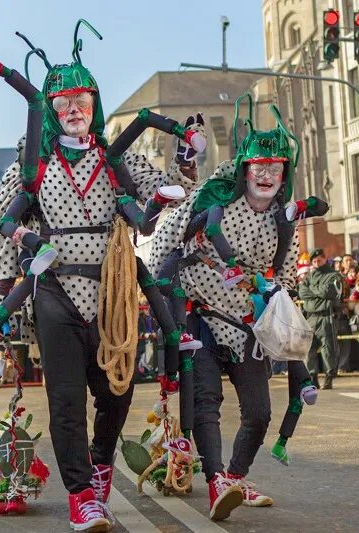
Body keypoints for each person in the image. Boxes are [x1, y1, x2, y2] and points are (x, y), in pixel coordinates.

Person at [0, 24, 203, 529]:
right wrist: (2, 281)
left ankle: (102, 462)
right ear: (50, 109)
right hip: (55, 287)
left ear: (94, 103)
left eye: (82, 99)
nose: (74, 109)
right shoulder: (31, 156)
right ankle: (81, 494)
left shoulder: (115, 154)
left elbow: (166, 189)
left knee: (116, 392)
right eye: (63, 102)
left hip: (113, 288)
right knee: (65, 397)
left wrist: (187, 158)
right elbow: (4, 217)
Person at [149, 98, 309, 520]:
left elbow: (288, 276)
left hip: (246, 324)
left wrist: (276, 300)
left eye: (276, 167)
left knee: (258, 412)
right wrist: (160, 292)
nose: (267, 174)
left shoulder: (283, 220)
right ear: (244, 169)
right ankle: (216, 478)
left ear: (285, 173)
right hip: (199, 313)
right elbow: (167, 236)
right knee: (205, 401)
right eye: (260, 166)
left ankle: (236, 477)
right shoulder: (212, 197)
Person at [299, 248, 343, 389]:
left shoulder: (333, 275)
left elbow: (329, 291)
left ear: (325, 259)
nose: (317, 263)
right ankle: (313, 377)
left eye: (319, 260)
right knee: (309, 349)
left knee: (328, 348)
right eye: (314, 261)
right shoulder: (310, 276)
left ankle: (329, 377)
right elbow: (302, 292)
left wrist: (314, 290)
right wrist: (319, 291)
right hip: (311, 316)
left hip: (326, 316)